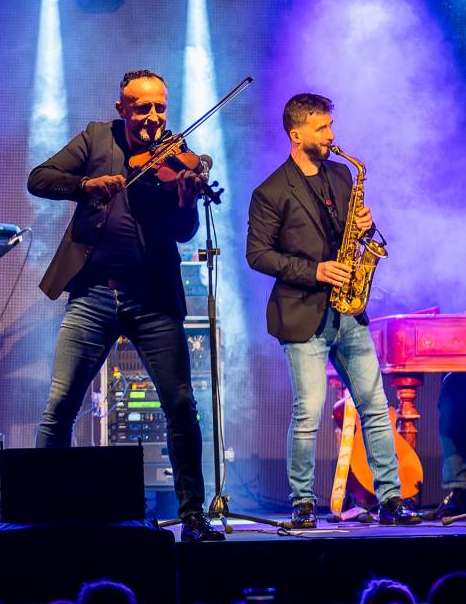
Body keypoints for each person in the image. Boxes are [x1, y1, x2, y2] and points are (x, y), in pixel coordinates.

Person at [27, 69, 221, 542]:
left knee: (181, 403)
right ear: (122, 109)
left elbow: (183, 233)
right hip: (94, 294)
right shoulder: (97, 138)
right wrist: (85, 186)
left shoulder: (176, 154)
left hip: (152, 297)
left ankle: (193, 514)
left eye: (160, 108)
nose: (153, 117)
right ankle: (37, 513)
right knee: (61, 404)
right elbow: (40, 178)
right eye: (142, 108)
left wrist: (186, 200)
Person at [246, 92, 419, 528]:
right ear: (296, 134)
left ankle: (391, 499)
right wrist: (315, 271)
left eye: (330, 126)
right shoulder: (270, 191)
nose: (331, 135)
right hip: (303, 314)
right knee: (309, 414)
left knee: (376, 407)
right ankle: (303, 502)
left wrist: (366, 227)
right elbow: (258, 255)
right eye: (321, 128)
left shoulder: (341, 175)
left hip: (349, 312)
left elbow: (360, 236)